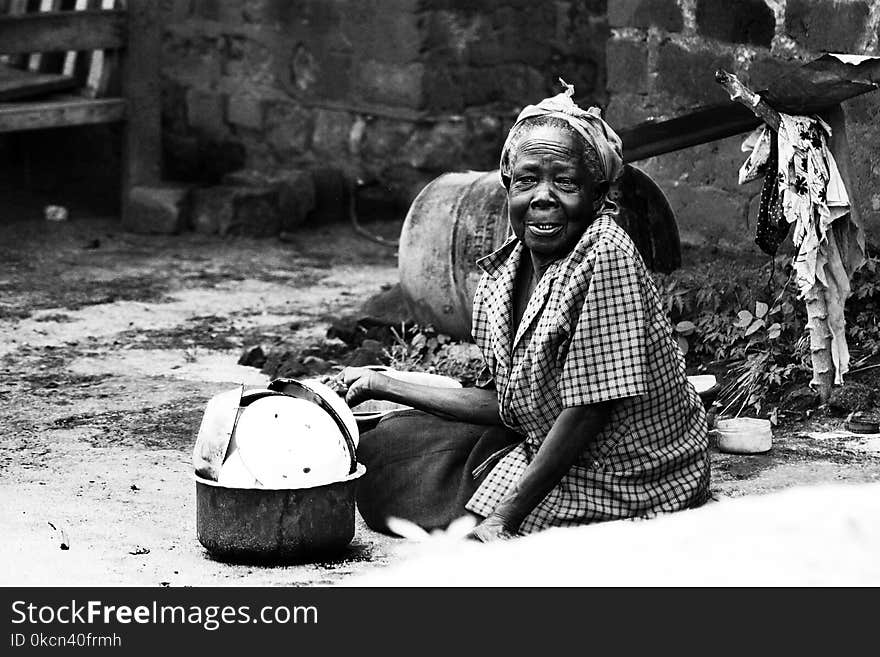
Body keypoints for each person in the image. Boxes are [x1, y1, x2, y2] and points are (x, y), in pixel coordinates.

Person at [340, 82, 710, 542]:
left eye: (566, 183)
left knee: (410, 493)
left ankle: (512, 502)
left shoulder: (605, 253)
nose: (543, 197)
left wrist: (506, 515)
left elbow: (587, 412)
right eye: (527, 180)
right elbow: (506, 403)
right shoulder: (507, 270)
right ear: (507, 187)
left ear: (598, 197)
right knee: (385, 450)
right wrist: (385, 384)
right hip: (546, 437)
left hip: (623, 470)